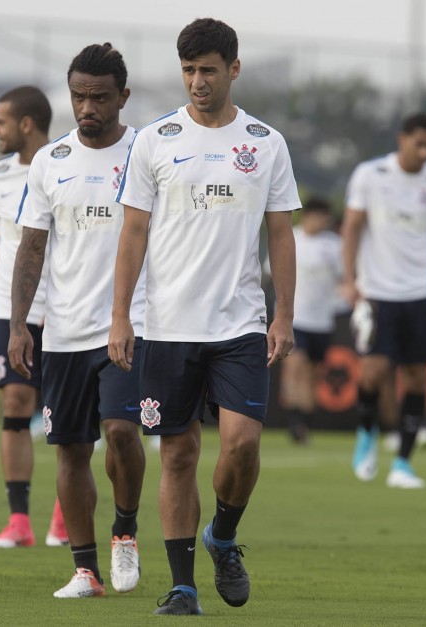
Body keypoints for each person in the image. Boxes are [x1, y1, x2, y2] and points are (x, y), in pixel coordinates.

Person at [110, 18, 299, 615]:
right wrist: (120, 316)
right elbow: (133, 233)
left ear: (233, 69)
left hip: (240, 323)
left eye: (208, 70)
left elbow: (282, 234)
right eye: (189, 70)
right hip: (166, 326)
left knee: (241, 445)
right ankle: (184, 586)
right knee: (179, 455)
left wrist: (285, 314)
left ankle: (223, 533)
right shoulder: (155, 139)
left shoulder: (265, 142)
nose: (197, 81)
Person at [9, 43, 146, 599]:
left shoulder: (146, 153)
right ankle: (85, 569)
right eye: (78, 96)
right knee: (69, 448)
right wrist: (21, 324)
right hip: (63, 330)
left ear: (122, 97)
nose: (87, 107)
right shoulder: (51, 160)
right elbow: (32, 247)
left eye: (99, 97)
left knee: (119, 431)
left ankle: (126, 530)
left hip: (129, 324)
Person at [0, 85, 68, 549]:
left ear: (26, 124)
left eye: (0, 122)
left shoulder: (66, 165)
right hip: (9, 310)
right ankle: (18, 521)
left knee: (66, 416)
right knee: (15, 406)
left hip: (65, 309)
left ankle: (65, 519)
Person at [340, 112, 426, 490]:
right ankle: (365, 437)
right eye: (419, 143)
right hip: (378, 292)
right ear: (401, 139)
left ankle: (403, 464)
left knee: (417, 376)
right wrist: (349, 279)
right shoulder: (370, 175)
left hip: (421, 294)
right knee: (373, 371)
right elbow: (352, 228)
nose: (424, 152)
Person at [277, 197, 342, 443]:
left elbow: (345, 279)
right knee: (296, 368)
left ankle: (304, 422)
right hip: (295, 317)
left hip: (322, 320)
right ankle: (295, 423)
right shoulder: (290, 238)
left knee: (313, 375)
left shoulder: (335, 245)